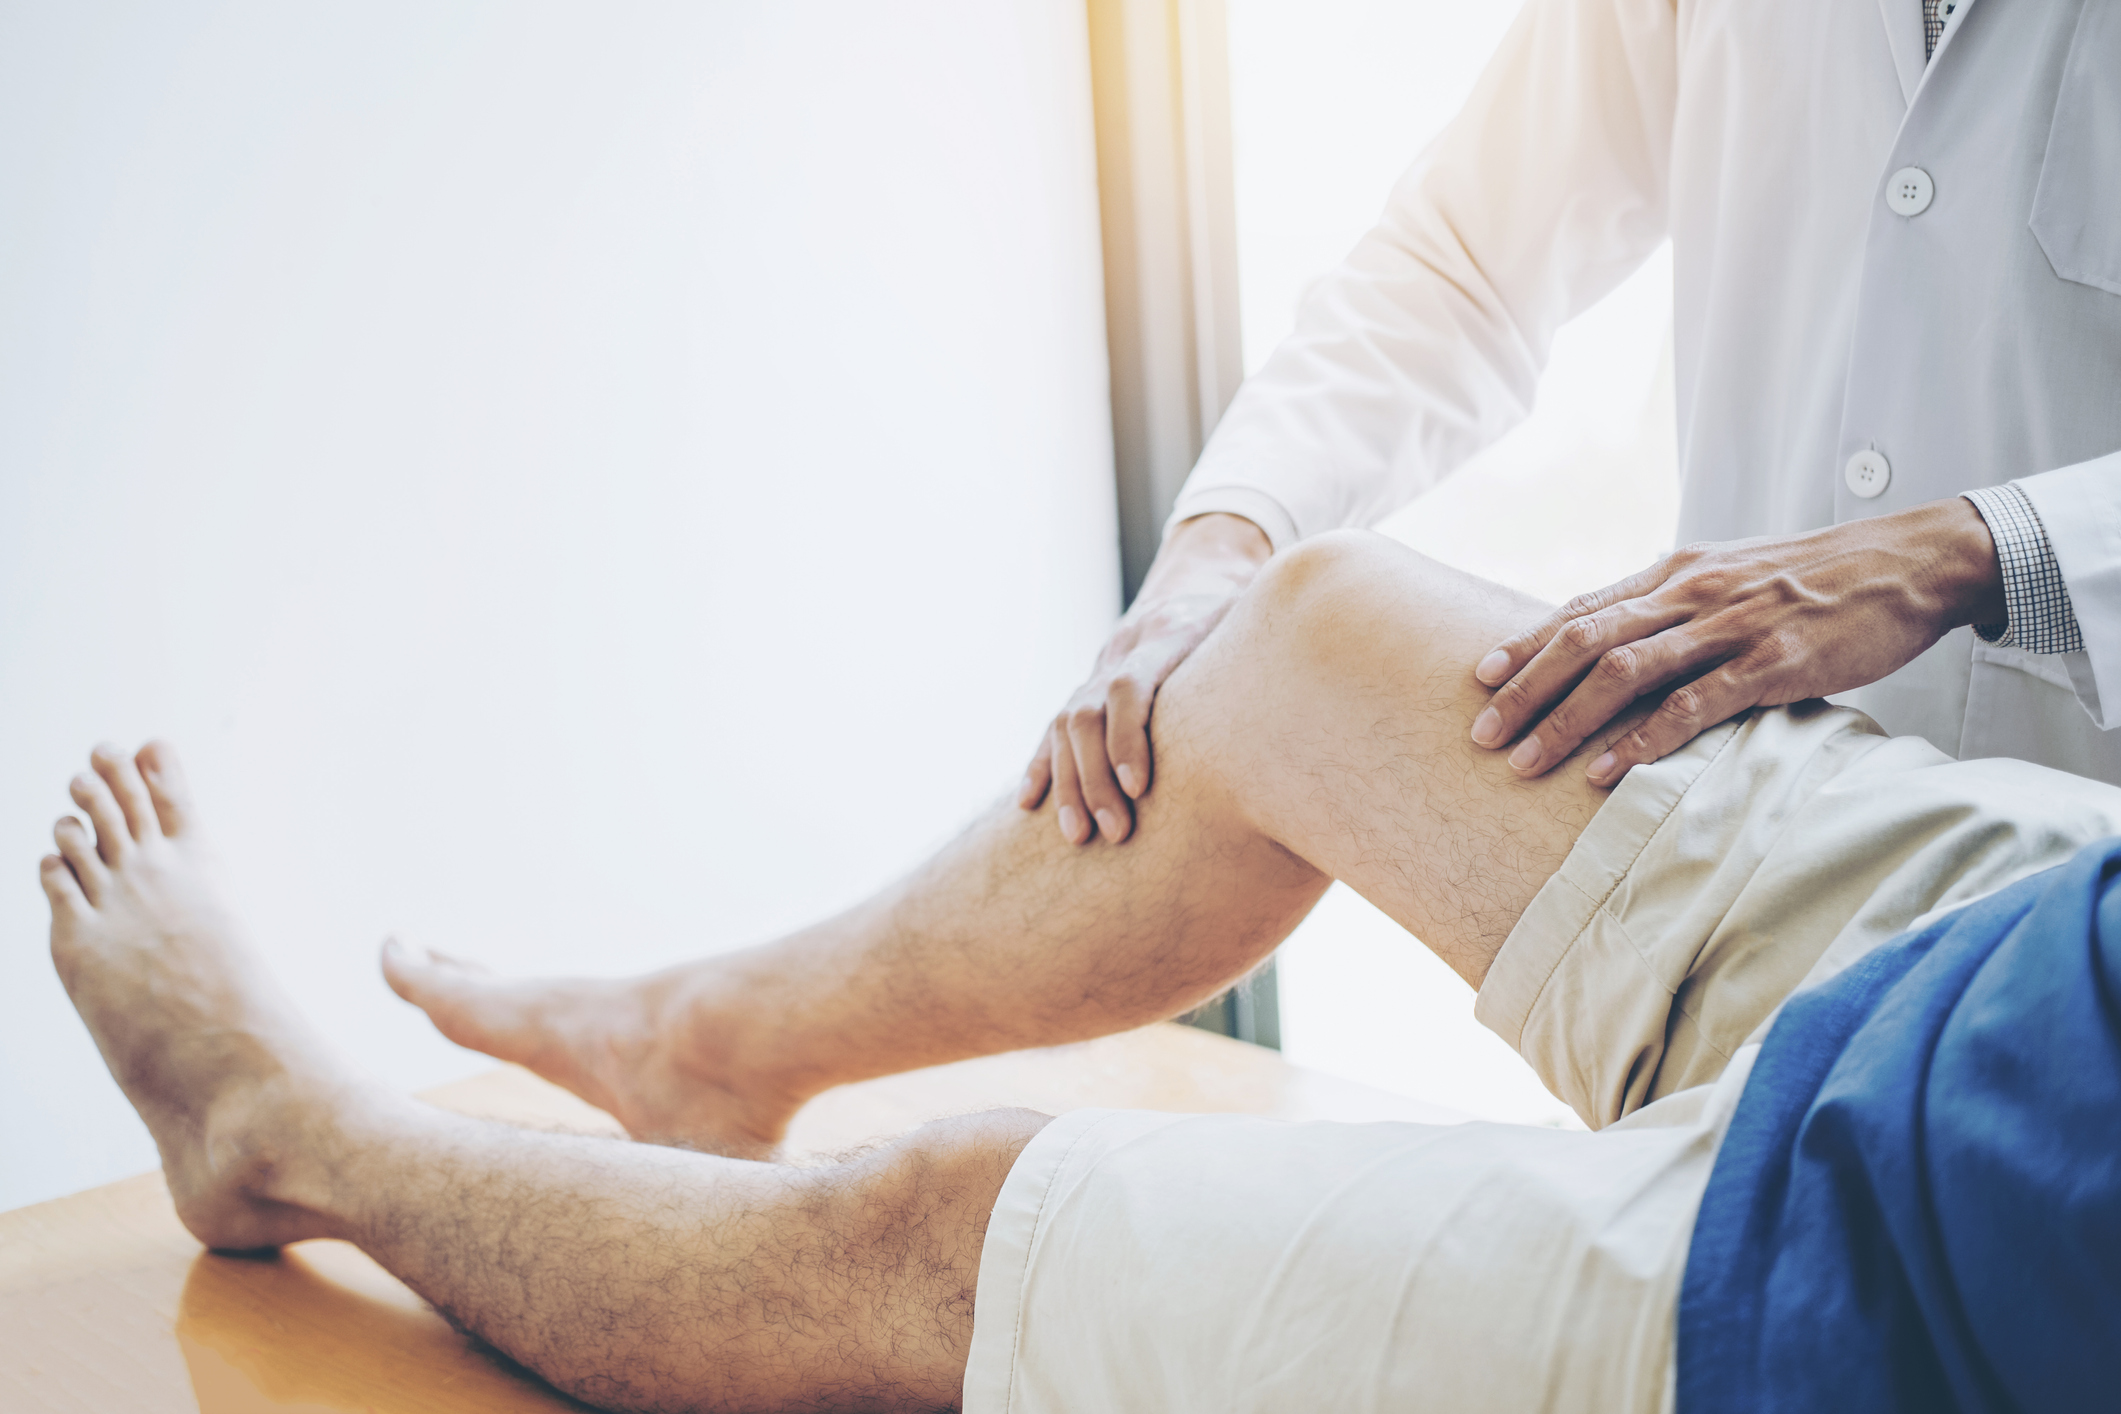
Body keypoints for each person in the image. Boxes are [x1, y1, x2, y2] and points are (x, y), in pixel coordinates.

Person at [39, 534, 2121, 1413]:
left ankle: (278, 1131)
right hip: (2053, 944)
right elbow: (1468, 244)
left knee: (930, 1220)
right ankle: (705, 1045)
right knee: (1301, 629)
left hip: (1946, 1282)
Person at [1023, 0, 2121, 849]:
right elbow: (1470, 264)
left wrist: (1970, 554)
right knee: (1317, 628)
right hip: (1749, 831)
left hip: (2077, 858)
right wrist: (1220, 547)